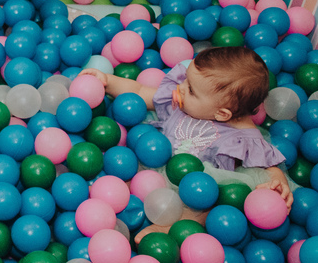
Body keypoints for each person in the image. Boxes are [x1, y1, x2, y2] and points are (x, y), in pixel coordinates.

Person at [82, 46, 292, 236]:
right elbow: (140, 91)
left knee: (207, 205)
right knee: (124, 172)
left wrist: (278, 184)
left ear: (221, 114)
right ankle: (106, 198)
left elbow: (268, 166)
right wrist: (108, 81)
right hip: (153, 167)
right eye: (186, 80)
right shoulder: (179, 102)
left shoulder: (243, 138)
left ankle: (171, 228)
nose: (181, 87)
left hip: (192, 188)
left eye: (191, 89)